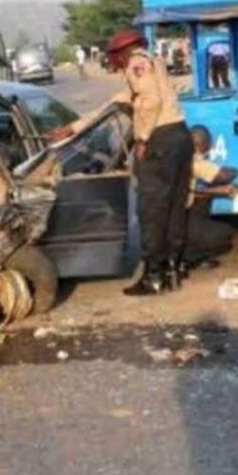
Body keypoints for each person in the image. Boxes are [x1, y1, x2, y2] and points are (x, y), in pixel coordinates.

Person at [51, 29, 193, 295]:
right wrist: (73, 127)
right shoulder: (155, 62)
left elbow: (150, 101)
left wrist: (143, 138)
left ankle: (153, 276)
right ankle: (173, 267)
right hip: (179, 136)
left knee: (152, 210)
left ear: (122, 53)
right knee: (174, 206)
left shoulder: (137, 63)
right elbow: (115, 104)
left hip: (159, 140)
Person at [183, 126, 237, 268]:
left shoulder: (177, 159)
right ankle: (192, 257)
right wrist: (236, 171)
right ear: (202, 146)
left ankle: (188, 255)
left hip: (166, 224)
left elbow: (192, 191)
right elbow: (225, 176)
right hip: (182, 226)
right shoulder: (197, 163)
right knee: (225, 234)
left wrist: (217, 191)